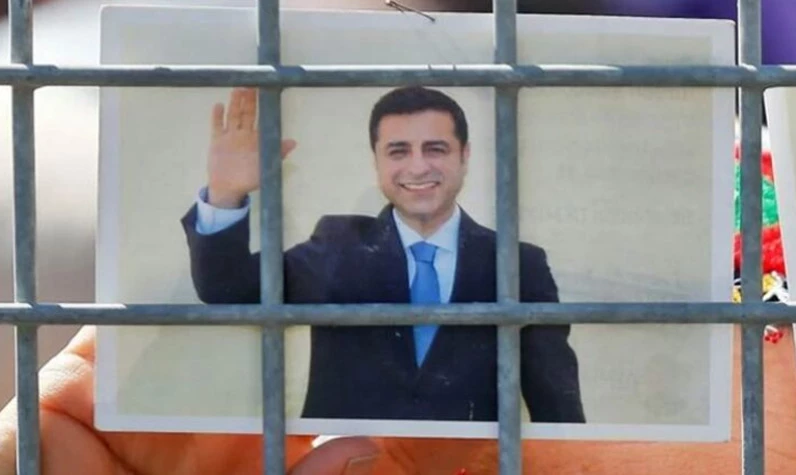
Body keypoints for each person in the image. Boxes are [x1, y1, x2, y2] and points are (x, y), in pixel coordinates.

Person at [180, 86, 586, 423]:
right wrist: (225, 192)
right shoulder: (338, 246)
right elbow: (225, 289)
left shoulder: (519, 264)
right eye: (398, 151)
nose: (418, 167)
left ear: (464, 156)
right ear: (375, 161)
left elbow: (557, 406)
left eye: (435, 149)